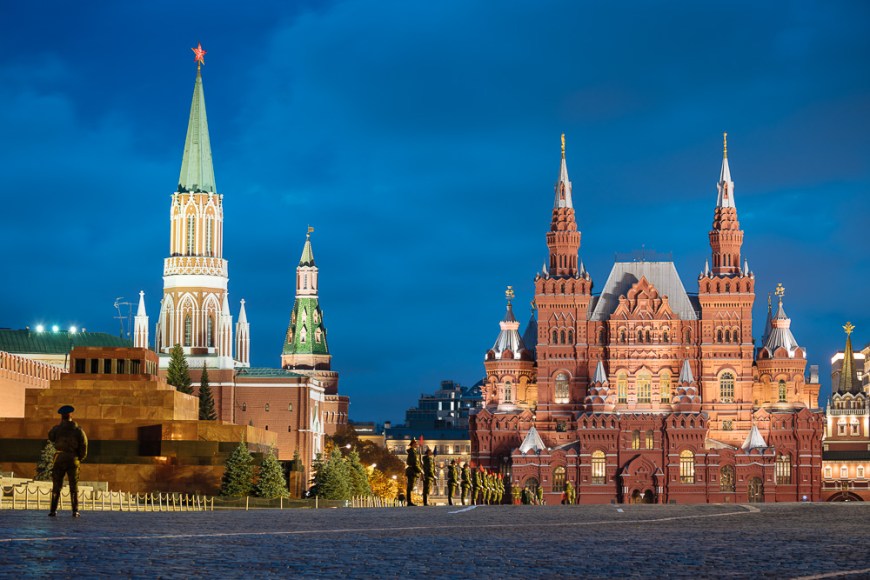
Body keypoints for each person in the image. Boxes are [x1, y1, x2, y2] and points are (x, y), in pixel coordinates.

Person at [48, 404, 88, 517]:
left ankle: (53, 510)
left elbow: (50, 437)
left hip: (59, 458)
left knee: (56, 485)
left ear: (62, 416)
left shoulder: (56, 429)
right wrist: (79, 458)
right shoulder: (78, 430)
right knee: (73, 486)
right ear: (71, 415)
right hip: (73, 459)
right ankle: (75, 511)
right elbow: (84, 445)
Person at [404, 439, 423, 506]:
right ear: (412, 445)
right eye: (416, 444)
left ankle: (409, 501)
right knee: (410, 486)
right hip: (412, 471)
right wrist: (420, 470)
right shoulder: (412, 452)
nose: (417, 445)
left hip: (412, 471)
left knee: (411, 486)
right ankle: (409, 501)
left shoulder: (413, 452)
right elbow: (414, 463)